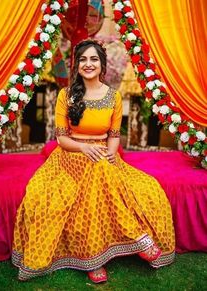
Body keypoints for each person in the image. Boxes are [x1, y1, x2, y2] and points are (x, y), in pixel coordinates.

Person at [12, 39, 175, 282]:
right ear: (77, 65)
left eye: (94, 59)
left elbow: (114, 135)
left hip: (103, 158)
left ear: (102, 64)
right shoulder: (66, 95)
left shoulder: (113, 97)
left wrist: (111, 153)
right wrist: (84, 148)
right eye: (83, 59)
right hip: (71, 155)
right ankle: (139, 239)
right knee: (96, 167)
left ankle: (95, 258)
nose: (88, 64)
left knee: (143, 185)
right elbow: (61, 139)